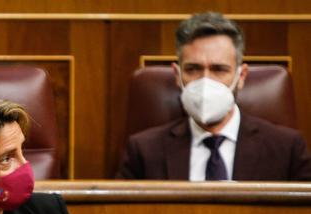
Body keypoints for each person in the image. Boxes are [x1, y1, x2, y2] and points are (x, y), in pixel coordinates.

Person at [117, 12, 311, 181]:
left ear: (241, 76)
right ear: (177, 75)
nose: (205, 81)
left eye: (219, 69)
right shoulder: (143, 150)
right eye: (193, 69)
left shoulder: (287, 149)